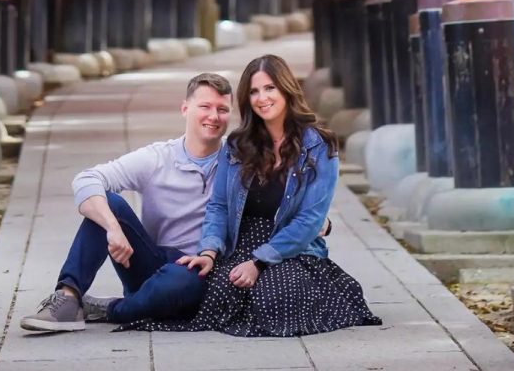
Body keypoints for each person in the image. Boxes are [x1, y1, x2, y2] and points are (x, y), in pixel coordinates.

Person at [124, 54, 381, 337]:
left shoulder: (318, 145)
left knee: (275, 299)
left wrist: (259, 263)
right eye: (254, 91)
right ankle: (118, 309)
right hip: (241, 245)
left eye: (270, 88)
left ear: (286, 89)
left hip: (291, 248)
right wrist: (209, 252)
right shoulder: (237, 144)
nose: (262, 98)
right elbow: (219, 206)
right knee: (217, 294)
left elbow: (310, 219)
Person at [20, 72, 235, 332]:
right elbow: (87, 179)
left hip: (197, 271)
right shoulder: (157, 158)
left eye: (222, 109)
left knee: (183, 281)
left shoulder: (237, 159)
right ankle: (68, 297)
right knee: (107, 202)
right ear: (185, 108)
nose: (214, 116)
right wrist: (112, 227)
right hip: (149, 262)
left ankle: (110, 309)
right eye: (205, 107)